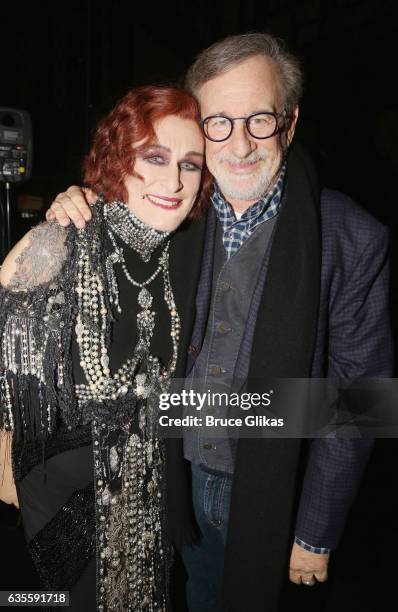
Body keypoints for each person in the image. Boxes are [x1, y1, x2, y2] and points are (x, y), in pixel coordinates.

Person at [46, 33, 393, 612]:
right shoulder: (176, 205)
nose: (238, 144)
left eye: (259, 119)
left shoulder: (351, 237)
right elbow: (108, 225)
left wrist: (315, 530)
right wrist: (72, 207)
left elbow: (365, 400)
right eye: (217, 123)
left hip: (268, 489)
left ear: (291, 120)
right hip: (168, 473)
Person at [0, 84, 209, 611]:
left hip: (147, 499)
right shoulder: (62, 239)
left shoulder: (184, 254)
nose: (174, 180)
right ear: (119, 158)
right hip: (60, 501)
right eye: (155, 157)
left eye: (190, 163)